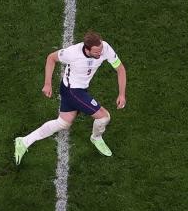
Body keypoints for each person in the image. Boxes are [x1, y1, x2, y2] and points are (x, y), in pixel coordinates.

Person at [15, 31, 127, 162]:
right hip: (73, 91)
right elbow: (51, 58)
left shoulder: (104, 48)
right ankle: (96, 138)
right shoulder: (73, 53)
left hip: (75, 88)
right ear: (87, 49)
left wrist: (121, 94)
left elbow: (120, 69)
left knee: (63, 123)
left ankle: (23, 141)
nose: (100, 54)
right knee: (104, 117)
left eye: (101, 50)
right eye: (96, 52)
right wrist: (47, 84)